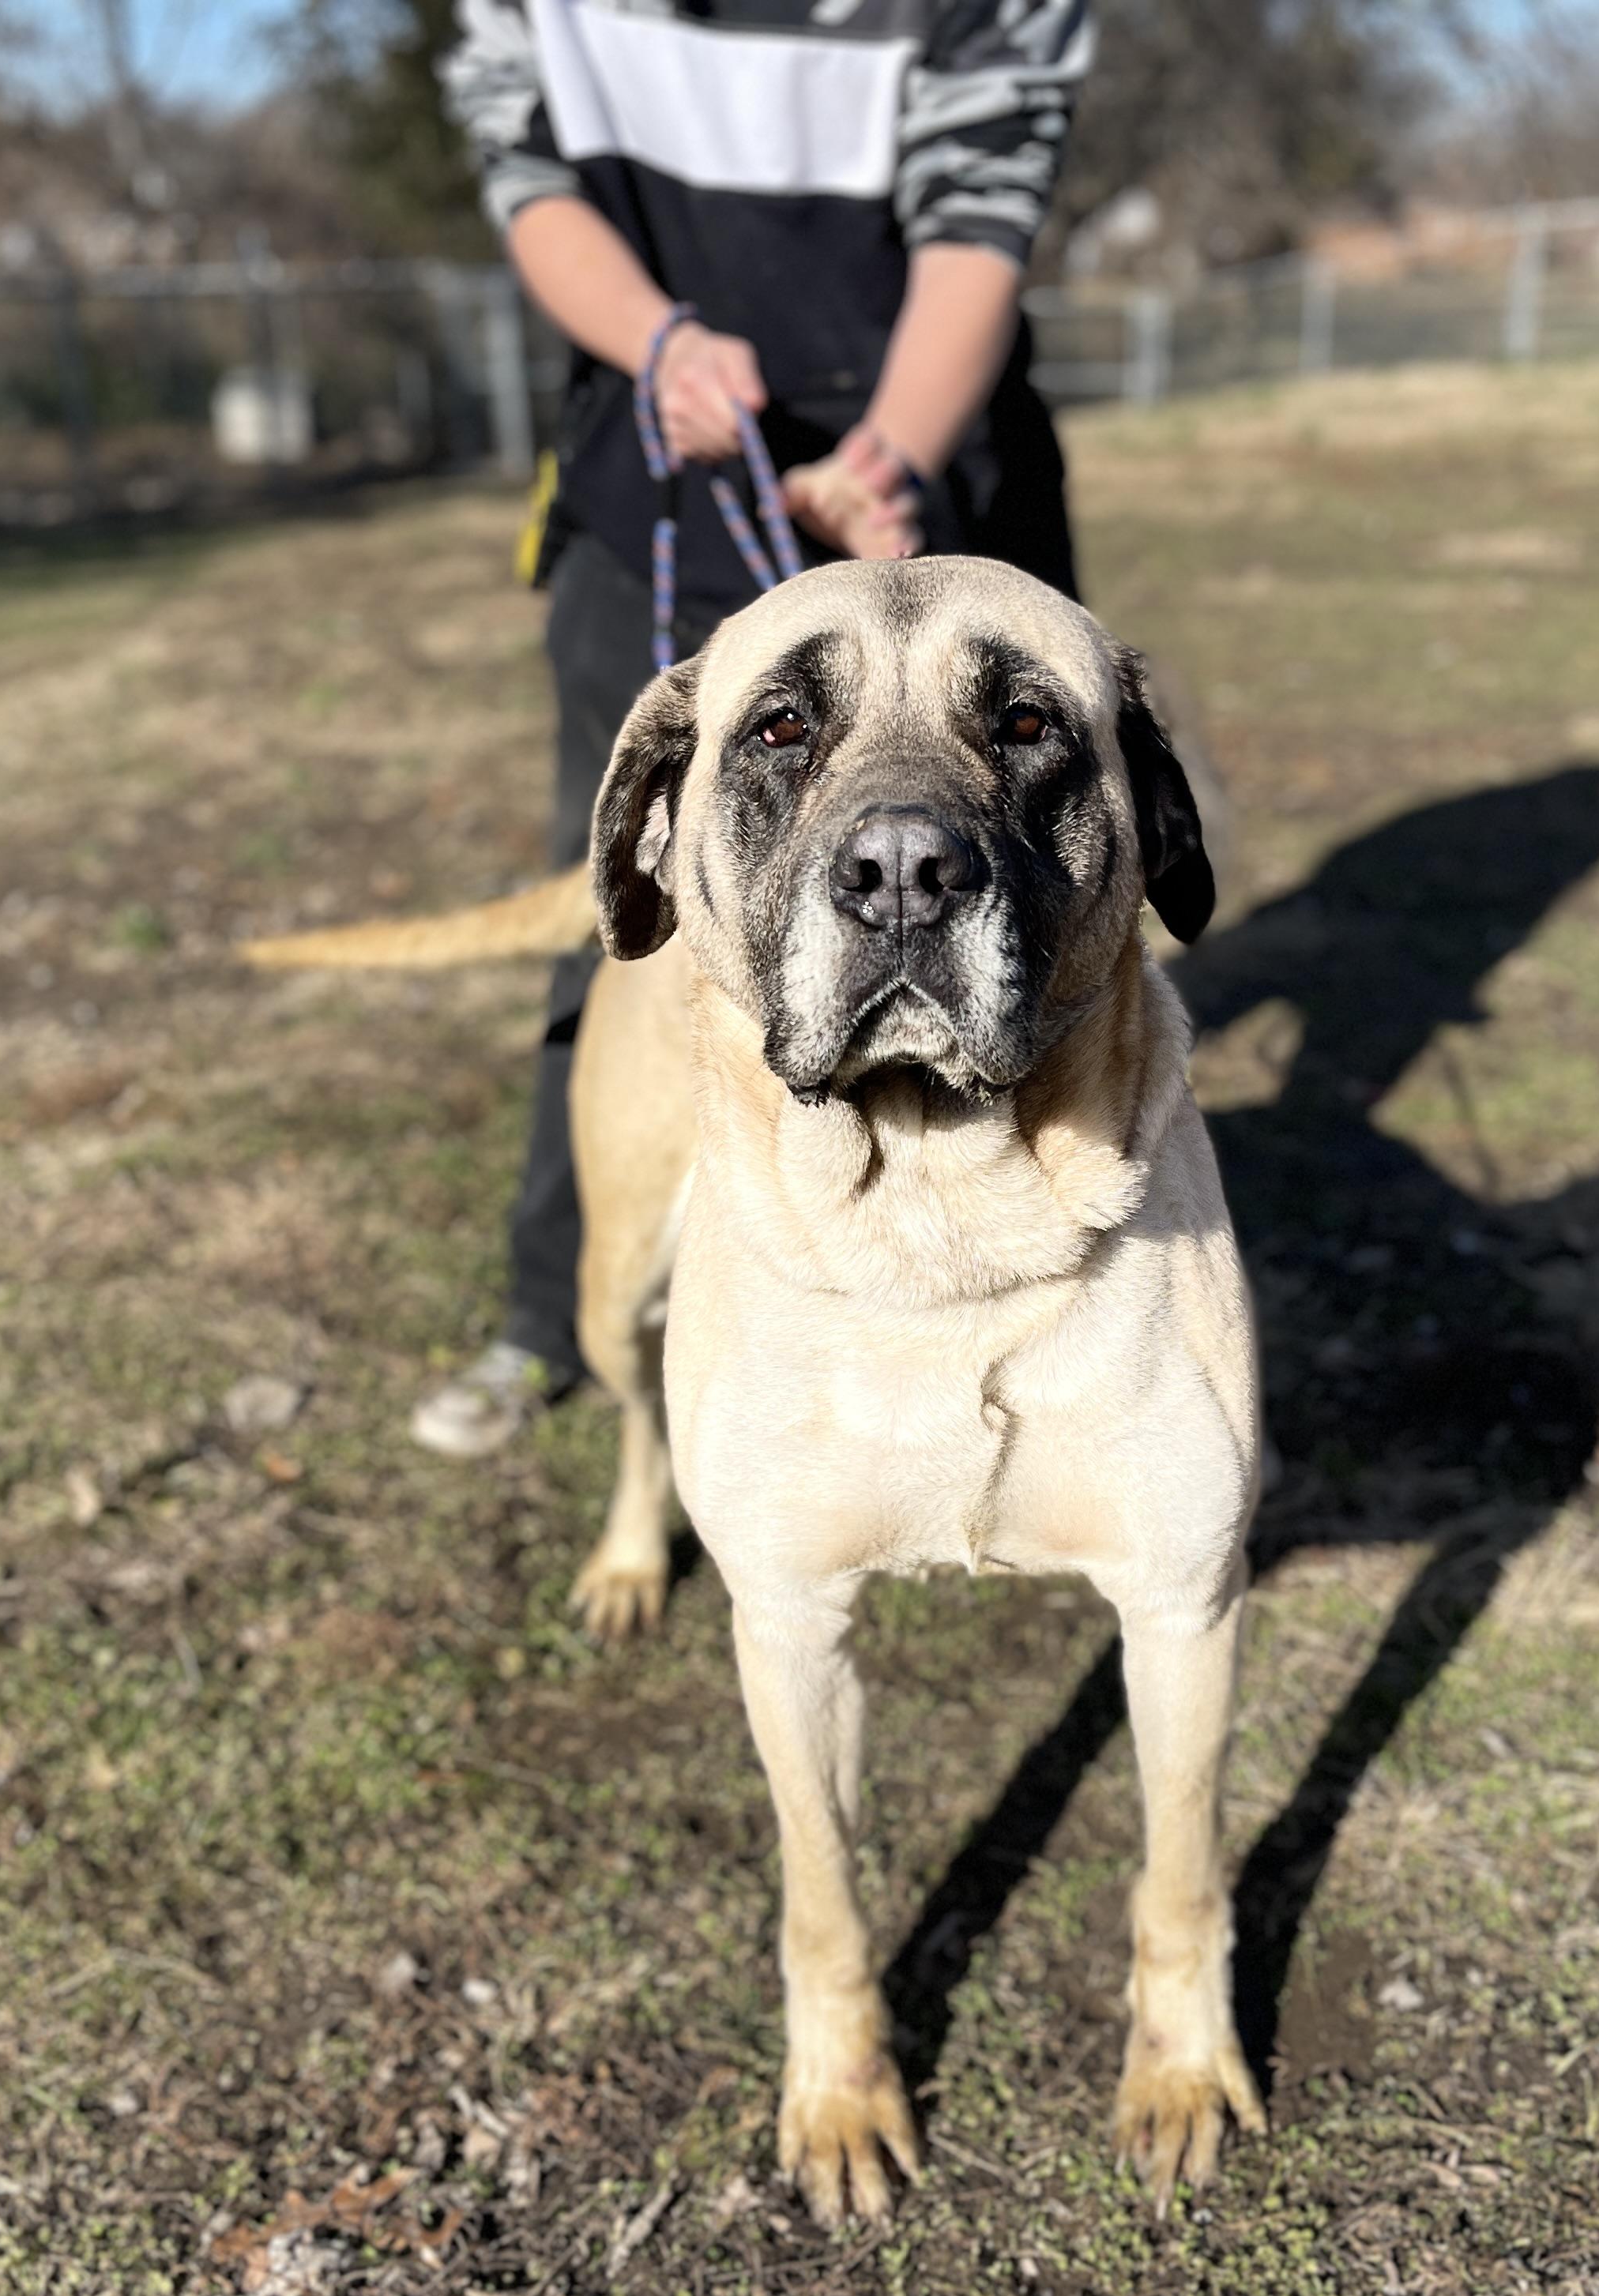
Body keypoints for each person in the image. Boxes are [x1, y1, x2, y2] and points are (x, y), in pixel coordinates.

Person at [410, 0, 1093, 1458]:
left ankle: (1082, 1334)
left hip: (929, 466)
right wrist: (653, 340)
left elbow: (986, 204)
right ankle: (560, 1312)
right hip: (654, 466)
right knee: (618, 935)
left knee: (1042, 927)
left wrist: (895, 451)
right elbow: (529, 176)